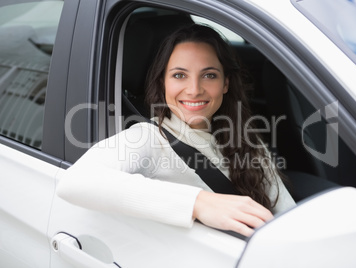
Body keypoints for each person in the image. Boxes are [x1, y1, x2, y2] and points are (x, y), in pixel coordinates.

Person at [57, 24, 295, 237]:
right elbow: (74, 182)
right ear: (163, 83)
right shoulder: (147, 137)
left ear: (225, 83)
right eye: (179, 75)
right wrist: (199, 203)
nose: (194, 89)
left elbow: (285, 211)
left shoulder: (243, 135)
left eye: (209, 75)